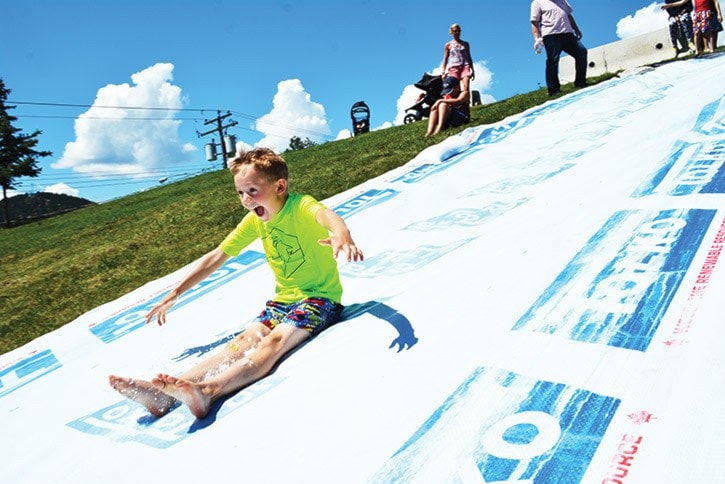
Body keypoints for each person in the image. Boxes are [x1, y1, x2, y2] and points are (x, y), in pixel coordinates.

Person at [108, 148, 364, 419]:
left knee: (274, 342)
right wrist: (175, 292)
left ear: (280, 186)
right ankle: (165, 394)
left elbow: (326, 216)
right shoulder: (255, 221)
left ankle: (207, 391)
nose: (245, 200)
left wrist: (342, 234)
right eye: (240, 193)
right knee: (243, 341)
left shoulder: (300, 206)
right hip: (282, 301)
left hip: (319, 299)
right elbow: (217, 256)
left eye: (252, 190)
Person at [530, 0, 588, 96]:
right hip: (551, 36)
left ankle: (580, 82)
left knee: (582, 52)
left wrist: (576, 29)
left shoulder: (562, 1)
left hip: (568, 34)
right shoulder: (537, 2)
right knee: (553, 60)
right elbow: (534, 22)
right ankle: (554, 90)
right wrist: (536, 38)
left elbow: (568, 15)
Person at [440, 23, 475, 93]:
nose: (457, 33)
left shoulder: (465, 44)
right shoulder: (448, 45)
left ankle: (466, 102)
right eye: (455, 31)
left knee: (466, 86)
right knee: (456, 88)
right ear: (452, 32)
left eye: (459, 31)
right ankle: (458, 102)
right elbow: (445, 58)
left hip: (465, 66)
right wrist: (443, 71)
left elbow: (469, 57)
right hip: (454, 68)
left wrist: (472, 70)